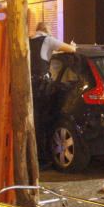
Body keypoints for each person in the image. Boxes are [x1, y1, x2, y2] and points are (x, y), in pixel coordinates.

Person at [30, 22, 76, 159]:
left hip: (29, 85)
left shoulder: (29, 41)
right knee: (43, 121)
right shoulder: (48, 40)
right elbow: (71, 49)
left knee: (34, 121)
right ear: (47, 31)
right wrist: (73, 45)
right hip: (40, 86)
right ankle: (43, 157)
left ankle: (33, 155)